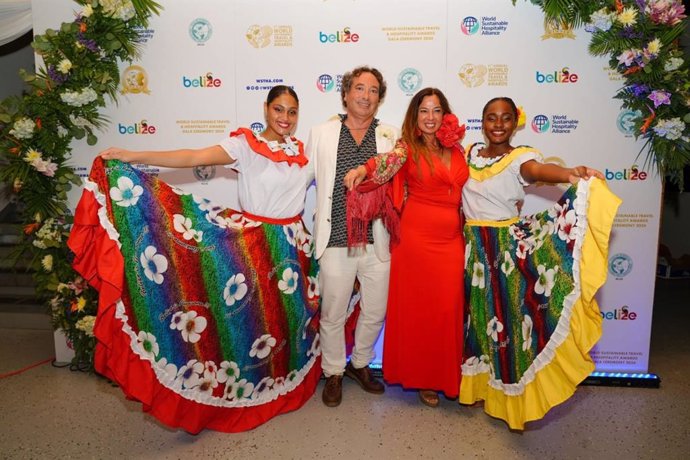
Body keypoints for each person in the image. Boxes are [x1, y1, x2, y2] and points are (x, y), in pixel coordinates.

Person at [67, 85, 322, 433]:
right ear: (266, 108)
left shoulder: (302, 152)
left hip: (293, 250)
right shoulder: (245, 145)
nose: (285, 118)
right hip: (254, 247)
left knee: (282, 323)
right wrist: (134, 156)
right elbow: (194, 157)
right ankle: (246, 393)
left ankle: (278, 388)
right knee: (252, 324)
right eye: (279, 109)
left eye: (292, 112)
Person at [459, 97, 621, 429]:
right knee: (477, 320)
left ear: (515, 122)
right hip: (471, 250)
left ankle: (513, 398)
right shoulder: (469, 152)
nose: (498, 124)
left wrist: (568, 174)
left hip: (503, 252)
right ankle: (479, 388)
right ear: (483, 122)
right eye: (491, 118)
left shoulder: (521, 158)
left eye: (505, 118)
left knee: (508, 322)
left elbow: (537, 171)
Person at [343, 87, 469, 407]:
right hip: (416, 239)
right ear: (415, 115)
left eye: (436, 110)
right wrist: (362, 170)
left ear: (445, 113)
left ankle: (448, 375)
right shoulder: (406, 148)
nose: (430, 117)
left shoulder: (457, 148)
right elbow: (385, 164)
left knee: (447, 311)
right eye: (423, 111)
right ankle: (425, 379)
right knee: (421, 312)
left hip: (451, 240)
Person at [306, 66, 400, 407]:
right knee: (332, 311)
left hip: (378, 241)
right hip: (335, 240)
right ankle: (333, 370)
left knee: (375, 310)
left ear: (380, 97)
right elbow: (301, 176)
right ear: (345, 94)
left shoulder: (391, 135)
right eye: (359, 88)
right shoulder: (322, 132)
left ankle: (360, 364)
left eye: (373, 90)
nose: (365, 95)